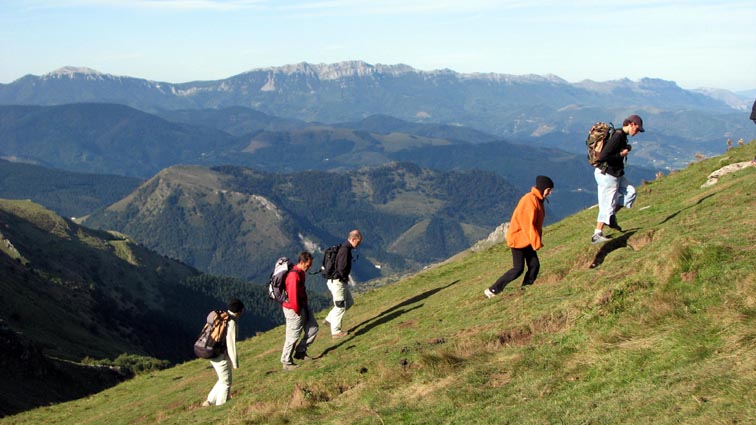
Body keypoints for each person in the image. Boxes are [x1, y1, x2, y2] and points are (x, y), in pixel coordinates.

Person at [484, 176, 554, 298]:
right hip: (519, 239)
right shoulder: (530, 200)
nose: (550, 192)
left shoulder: (538, 200)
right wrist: (536, 242)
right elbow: (527, 224)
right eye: (548, 190)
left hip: (527, 240)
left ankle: (526, 289)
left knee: (534, 265)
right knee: (518, 269)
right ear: (543, 188)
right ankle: (493, 290)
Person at [591, 114, 644, 244]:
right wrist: (621, 154)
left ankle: (610, 217)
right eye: (637, 129)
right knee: (606, 204)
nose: (637, 133)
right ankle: (597, 234)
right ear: (632, 124)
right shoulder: (618, 136)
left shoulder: (622, 136)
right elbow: (603, 157)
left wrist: (623, 150)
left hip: (616, 174)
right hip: (607, 175)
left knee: (631, 192)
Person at [281, 251, 319, 370]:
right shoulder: (294, 276)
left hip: (302, 306)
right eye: (308, 265)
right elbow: (292, 296)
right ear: (302, 262)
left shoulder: (300, 273)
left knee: (313, 327)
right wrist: (297, 311)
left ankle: (301, 351)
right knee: (293, 335)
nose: (309, 267)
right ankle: (286, 361)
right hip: (294, 309)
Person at [202, 298, 244, 406]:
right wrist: (235, 363)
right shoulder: (231, 322)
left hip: (209, 350)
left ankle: (210, 401)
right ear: (238, 311)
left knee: (222, 379)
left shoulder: (221, 316)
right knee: (226, 383)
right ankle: (221, 406)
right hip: (219, 356)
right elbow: (231, 344)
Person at [324, 229, 362, 338]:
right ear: (353, 239)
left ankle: (329, 319)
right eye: (358, 242)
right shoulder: (345, 250)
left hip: (337, 281)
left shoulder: (344, 248)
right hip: (338, 282)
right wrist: (344, 277)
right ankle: (336, 332)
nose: (358, 244)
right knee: (340, 306)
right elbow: (341, 268)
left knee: (349, 302)